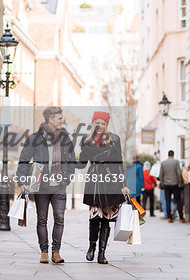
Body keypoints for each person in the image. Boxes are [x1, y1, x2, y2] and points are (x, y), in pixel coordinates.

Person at [16, 106, 76, 264]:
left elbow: (72, 162)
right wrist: (22, 181)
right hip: (40, 184)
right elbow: (24, 160)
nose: (62, 120)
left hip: (59, 185)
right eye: (59, 118)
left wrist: (67, 177)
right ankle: (44, 252)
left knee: (60, 218)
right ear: (50, 119)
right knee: (42, 219)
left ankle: (56, 252)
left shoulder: (66, 139)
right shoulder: (34, 138)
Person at [75, 111, 130, 264]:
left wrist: (123, 185)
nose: (100, 125)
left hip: (110, 180)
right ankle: (91, 248)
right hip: (94, 180)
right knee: (94, 218)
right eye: (97, 122)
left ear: (106, 125)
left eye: (103, 123)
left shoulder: (115, 139)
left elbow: (119, 163)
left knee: (106, 219)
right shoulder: (87, 141)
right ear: (93, 124)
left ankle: (102, 253)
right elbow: (82, 163)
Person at [159, 150, 185, 223]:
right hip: (175, 184)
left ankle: (169, 218)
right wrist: (180, 182)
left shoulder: (163, 163)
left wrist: (162, 183)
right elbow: (179, 173)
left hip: (166, 185)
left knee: (168, 201)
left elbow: (161, 175)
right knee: (178, 201)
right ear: (173, 155)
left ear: (168, 155)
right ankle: (181, 217)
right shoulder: (176, 162)